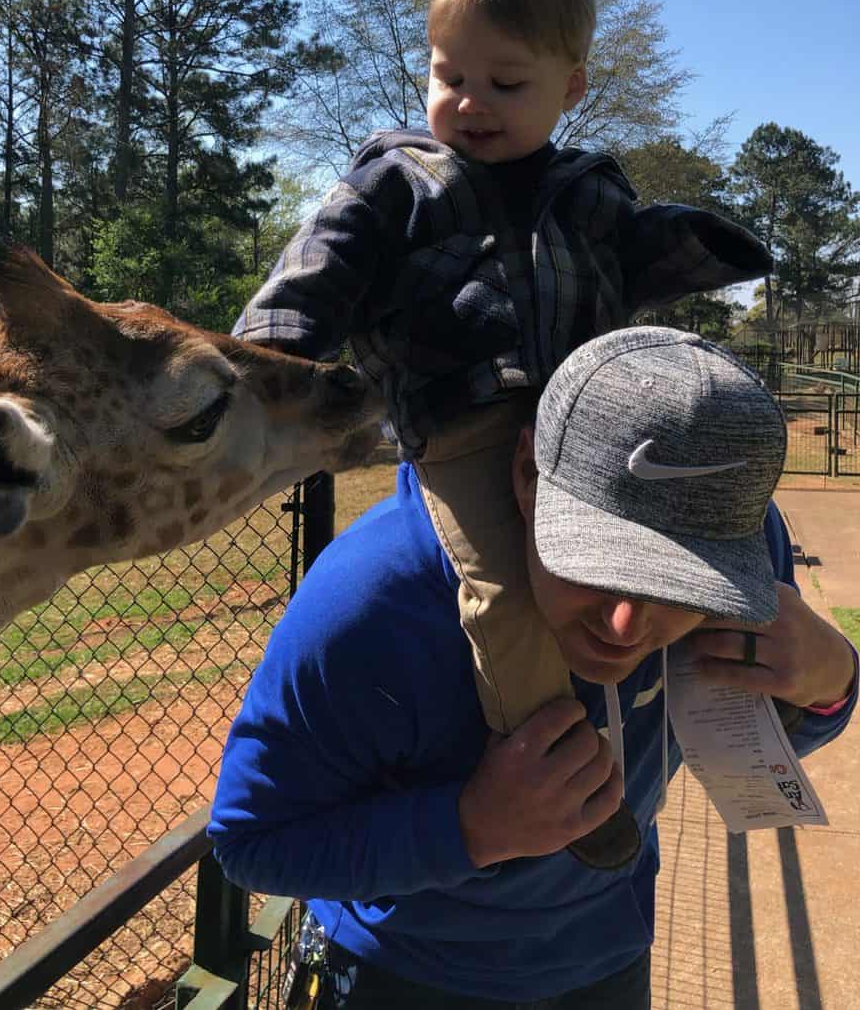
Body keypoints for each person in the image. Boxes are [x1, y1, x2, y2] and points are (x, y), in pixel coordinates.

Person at [233, 0, 772, 866]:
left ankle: (733, 677)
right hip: (467, 426)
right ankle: (577, 776)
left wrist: (708, 249)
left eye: (506, 83)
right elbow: (318, 270)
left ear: (572, 88)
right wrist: (267, 356)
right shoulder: (395, 180)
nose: (470, 102)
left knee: (657, 569)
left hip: (592, 422)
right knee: (505, 596)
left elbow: (637, 254)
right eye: (450, 75)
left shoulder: (588, 186)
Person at [209, 328, 858, 1009]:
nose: (626, 627)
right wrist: (468, 827)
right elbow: (252, 841)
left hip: (607, 959)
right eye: (598, 564)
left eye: (681, 587)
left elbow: (753, 738)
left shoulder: (744, 552)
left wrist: (832, 683)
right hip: (402, 970)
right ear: (526, 474)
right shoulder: (373, 602)